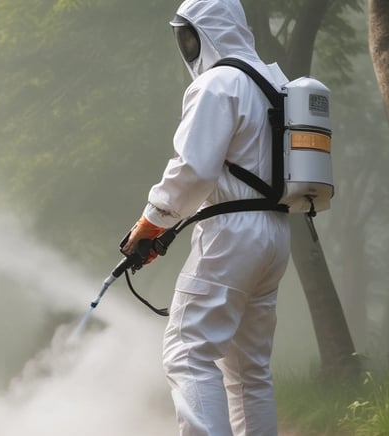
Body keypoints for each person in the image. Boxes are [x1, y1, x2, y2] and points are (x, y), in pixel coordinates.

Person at [121, 0, 291, 435]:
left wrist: (151, 221)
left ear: (206, 32)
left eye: (188, 35)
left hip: (233, 234)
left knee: (187, 351)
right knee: (249, 371)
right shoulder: (277, 82)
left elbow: (193, 169)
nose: (186, 45)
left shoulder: (217, 84)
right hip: (275, 233)